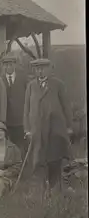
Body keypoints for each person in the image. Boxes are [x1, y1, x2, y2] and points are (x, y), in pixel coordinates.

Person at [23, 58, 73, 195]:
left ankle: (54, 186)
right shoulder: (31, 86)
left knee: (54, 157)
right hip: (37, 129)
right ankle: (39, 188)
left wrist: (69, 126)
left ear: (49, 69)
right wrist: (27, 129)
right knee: (38, 158)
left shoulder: (58, 84)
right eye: (37, 68)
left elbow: (66, 107)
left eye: (43, 68)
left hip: (55, 128)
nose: (40, 71)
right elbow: (26, 108)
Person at [1, 54, 28, 156]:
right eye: (6, 64)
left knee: (21, 144)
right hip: (6, 119)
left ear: (15, 65)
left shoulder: (23, 78)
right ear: (3, 66)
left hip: (21, 119)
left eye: (11, 64)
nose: (9, 67)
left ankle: (22, 167)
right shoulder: (0, 80)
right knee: (8, 145)